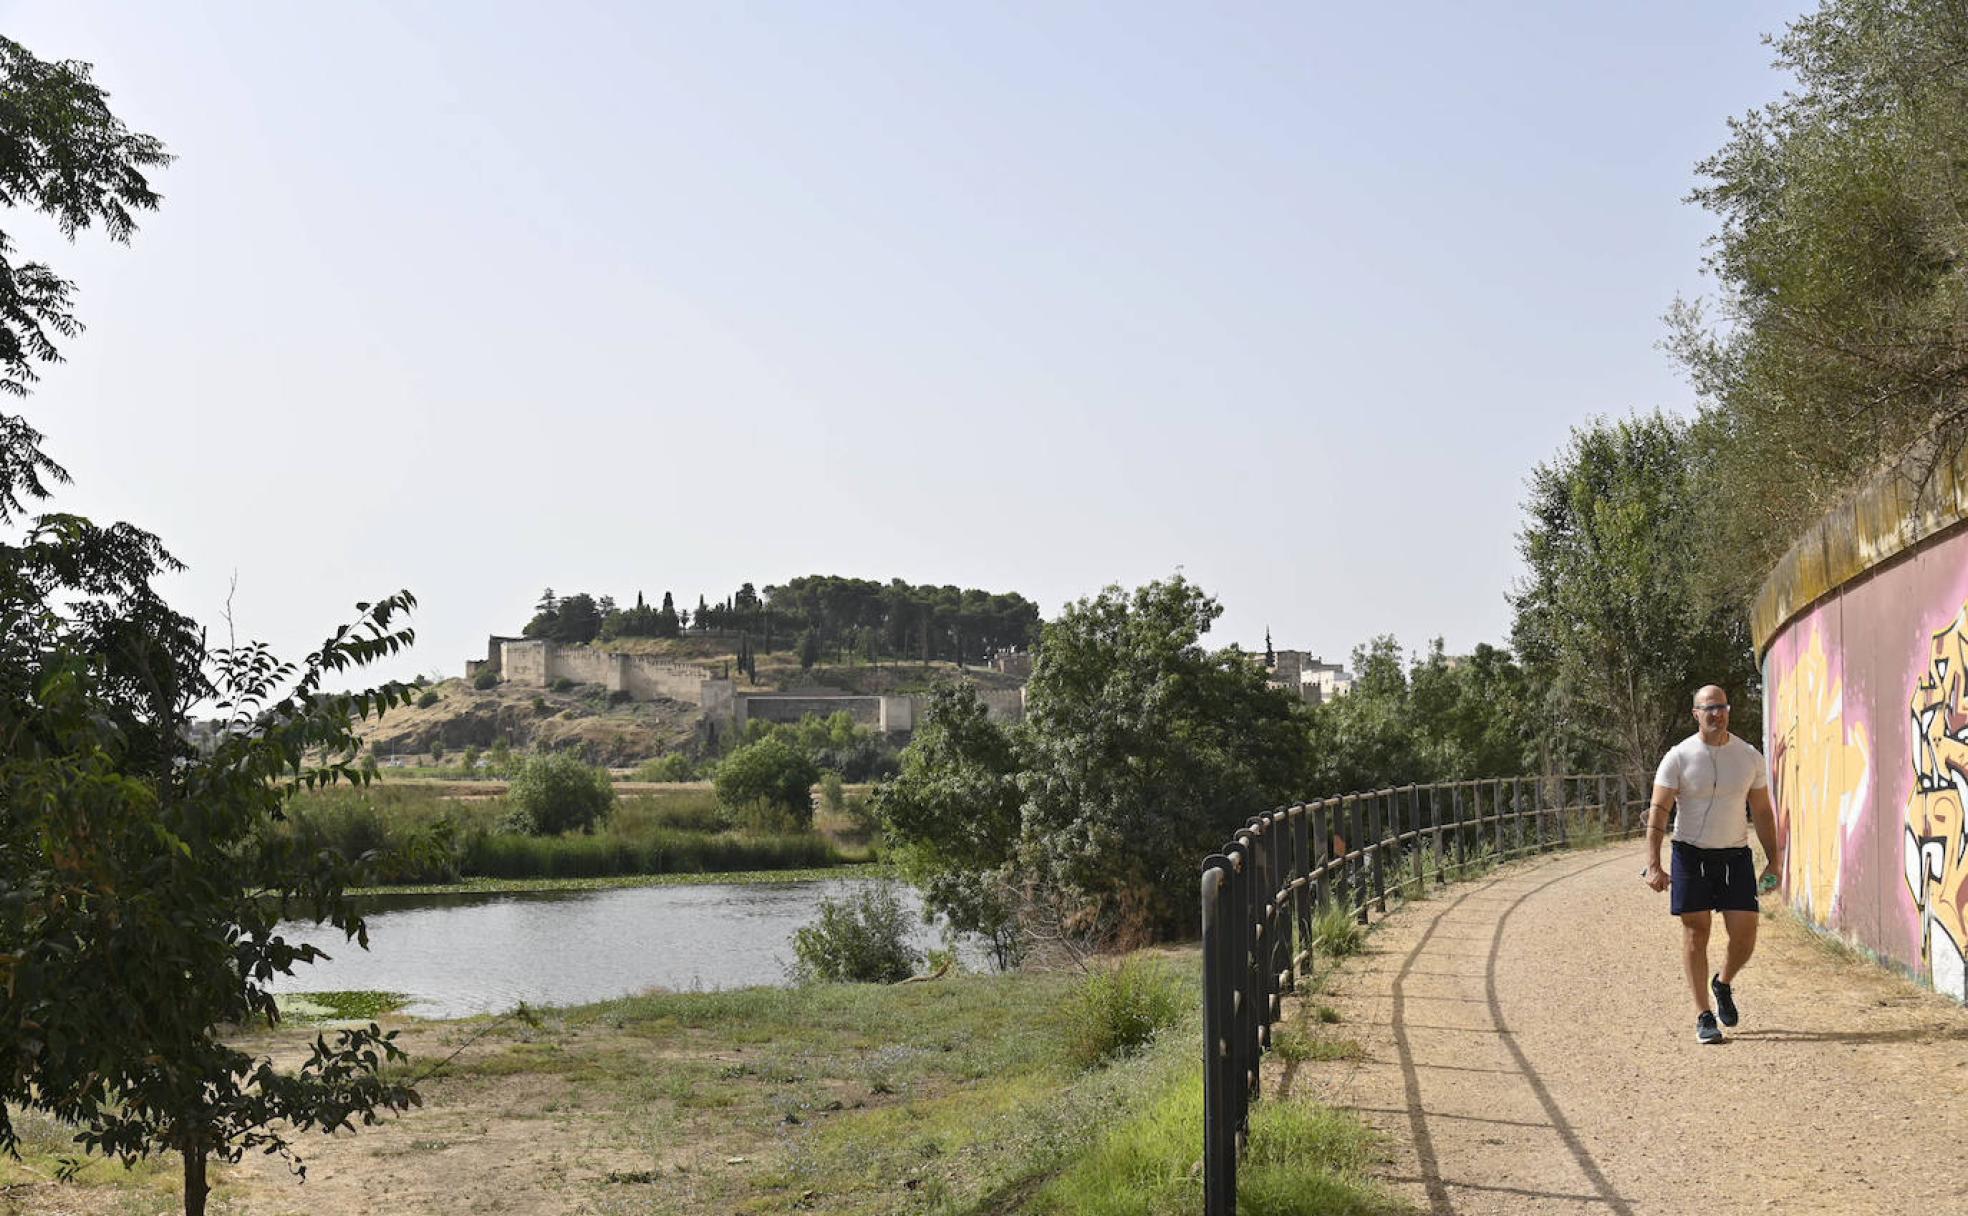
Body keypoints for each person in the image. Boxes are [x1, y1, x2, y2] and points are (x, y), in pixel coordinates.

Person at [1643, 685, 1780, 1044]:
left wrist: (1774, 862)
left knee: (1745, 932)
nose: (1716, 714)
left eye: (1721, 707)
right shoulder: (1679, 757)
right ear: (1696, 714)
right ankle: (1704, 1015)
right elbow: (1659, 811)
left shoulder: (1749, 757)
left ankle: (1723, 983)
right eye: (1708, 708)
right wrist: (1653, 864)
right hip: (1690, 854)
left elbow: (1763, 812)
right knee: (1696, 932)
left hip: (1734, 855)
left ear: (1728, 711)